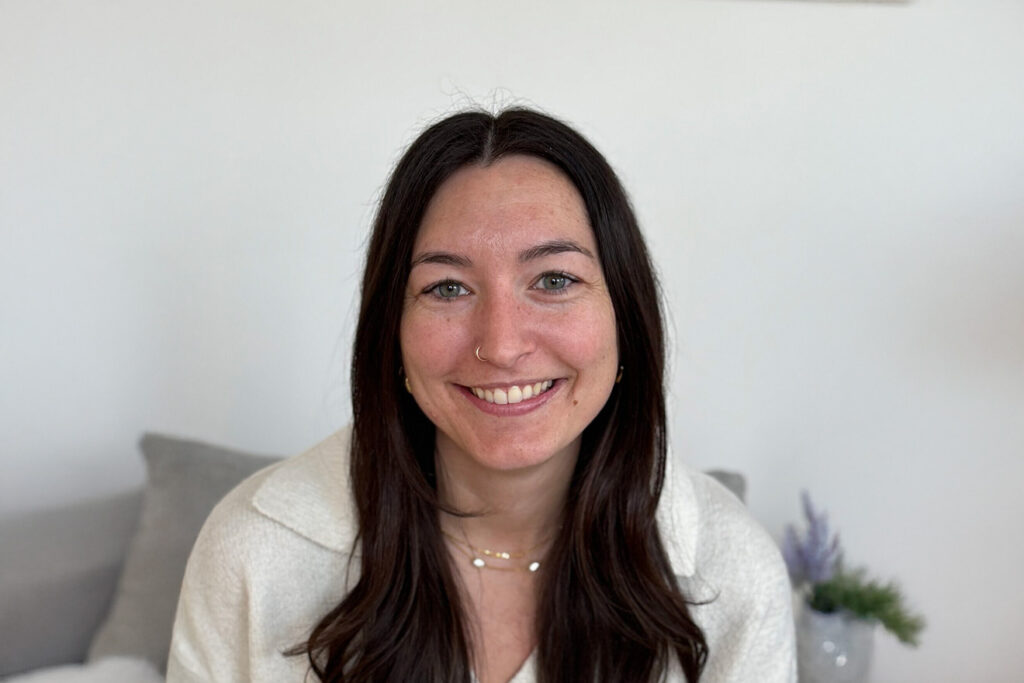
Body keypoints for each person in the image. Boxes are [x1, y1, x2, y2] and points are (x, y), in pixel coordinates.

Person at [167, 108, 795, 683]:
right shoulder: (254, 548)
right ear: (393, 334)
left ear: (624, 317)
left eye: (553, 279)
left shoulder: (732, 571)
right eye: (447, 288)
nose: (500, 344)